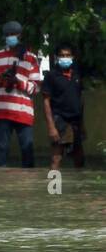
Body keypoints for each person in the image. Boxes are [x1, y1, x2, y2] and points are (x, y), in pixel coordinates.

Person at [0, 20, 41, 168]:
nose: (11, 37)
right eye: (8, 35)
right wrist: (0, 78)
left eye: (14, 34)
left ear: (20, 35)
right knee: (2, 151)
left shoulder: (31, 58)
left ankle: (27, 185)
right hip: (2, 111)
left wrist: (18, 81)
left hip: (23, 111)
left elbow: (36, 88)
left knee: (27, 150)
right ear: (4, 36)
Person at [42, 43, 86, 171]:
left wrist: (82, 124)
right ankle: (53, 189)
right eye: (62, 55)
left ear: (72, 56)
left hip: (76, 120)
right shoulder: (51, 76)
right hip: (60, 119)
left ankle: (80, 188)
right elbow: (46, 102)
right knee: (56, 158)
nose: (65, 58)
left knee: (79, 157)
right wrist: (51, 127)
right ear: (56, 57)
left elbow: (80, 99)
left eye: (67, 55)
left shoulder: (77, 75)